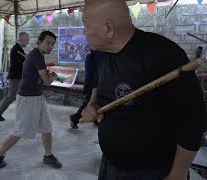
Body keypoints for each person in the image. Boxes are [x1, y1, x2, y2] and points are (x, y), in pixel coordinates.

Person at [81, 0, 206, 180]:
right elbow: (99, 85)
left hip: (152, 171)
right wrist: (92, 103)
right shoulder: (103, 54)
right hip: (111, 164)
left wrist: (178, 173)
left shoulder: (162, 54)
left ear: (108, 29)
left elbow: (193, 120)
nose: (83, 32)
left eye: (85, 25)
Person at [0, 31, 62, 169]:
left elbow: (39, 79)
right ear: (39, 41)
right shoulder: (36, 56)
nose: (50, 46)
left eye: (53, 44)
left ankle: (48, 156)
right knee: (21, 130)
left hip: (37, 96)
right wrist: (54, 76)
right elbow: (46, 81)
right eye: (48, 42)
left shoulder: (38, 55)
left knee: (47, 127)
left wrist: (47, 76)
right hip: (28, 98)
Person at [0, 32, 30, 121]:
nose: (28, 42)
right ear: (21, 40)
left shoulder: (19, 49)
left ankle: (24, 114)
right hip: (15, 77)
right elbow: (27, 59)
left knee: (20, 96)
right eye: (27, 40)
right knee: (11, 96)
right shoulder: (16, 49)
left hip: (19, 76)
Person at [69, 50, 99, 129]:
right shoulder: (97, 53)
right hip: (92, 81)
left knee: (95, 101)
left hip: (91, 80)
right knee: (89, 103)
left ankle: (96, 120)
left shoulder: (93, 52)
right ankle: (74, 119)